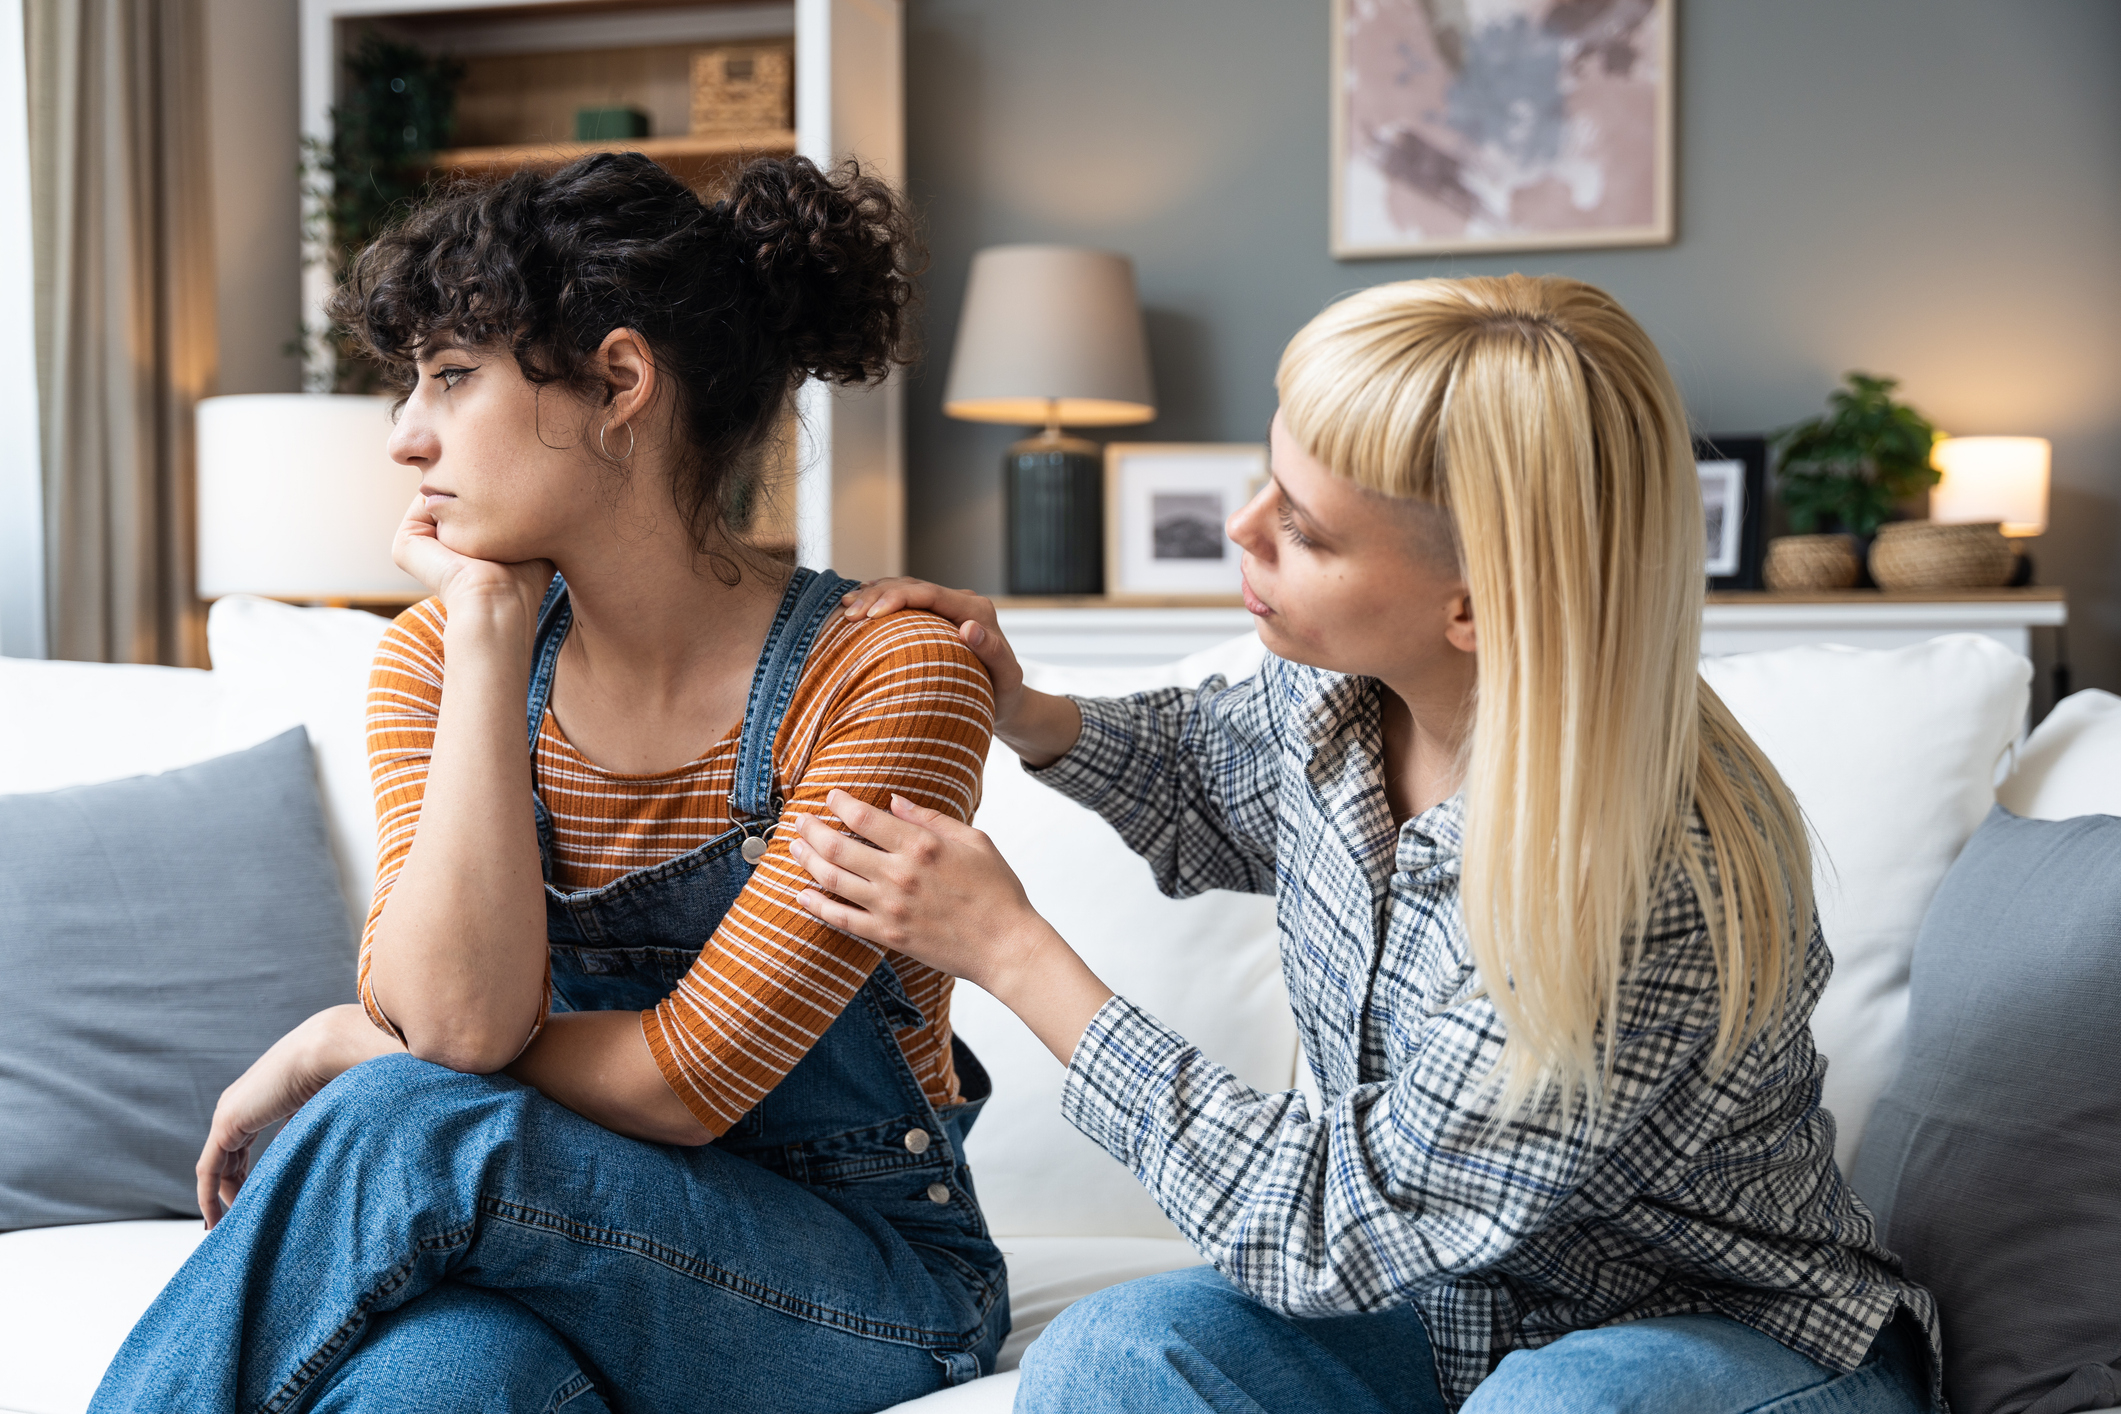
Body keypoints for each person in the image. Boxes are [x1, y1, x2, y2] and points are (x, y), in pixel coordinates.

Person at [788, 275, 1945, 1413]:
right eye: (1265, 485)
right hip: (1447, 1315)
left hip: (1725, 1337)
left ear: (1477, 606)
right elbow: (1203, 767)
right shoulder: (1338, 701)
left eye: (1302, 527)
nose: (1240, 530)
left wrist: (1013, 952)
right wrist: (1027, 706)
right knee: (1121, 1351)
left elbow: (1330, 1226)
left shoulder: (1637, 882)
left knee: (1567, 1404)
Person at [92, 153, 1007, 1414]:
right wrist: (484, 637)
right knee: (438, 1386)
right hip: (555, 1257)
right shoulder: (439, 654)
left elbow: (679, 1085)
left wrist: (343, 1040)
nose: (406, 433)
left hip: (856, 1286)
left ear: (620, 380)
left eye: (452, 375)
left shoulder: (887, 674)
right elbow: (458, 1021)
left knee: (404, 1117)